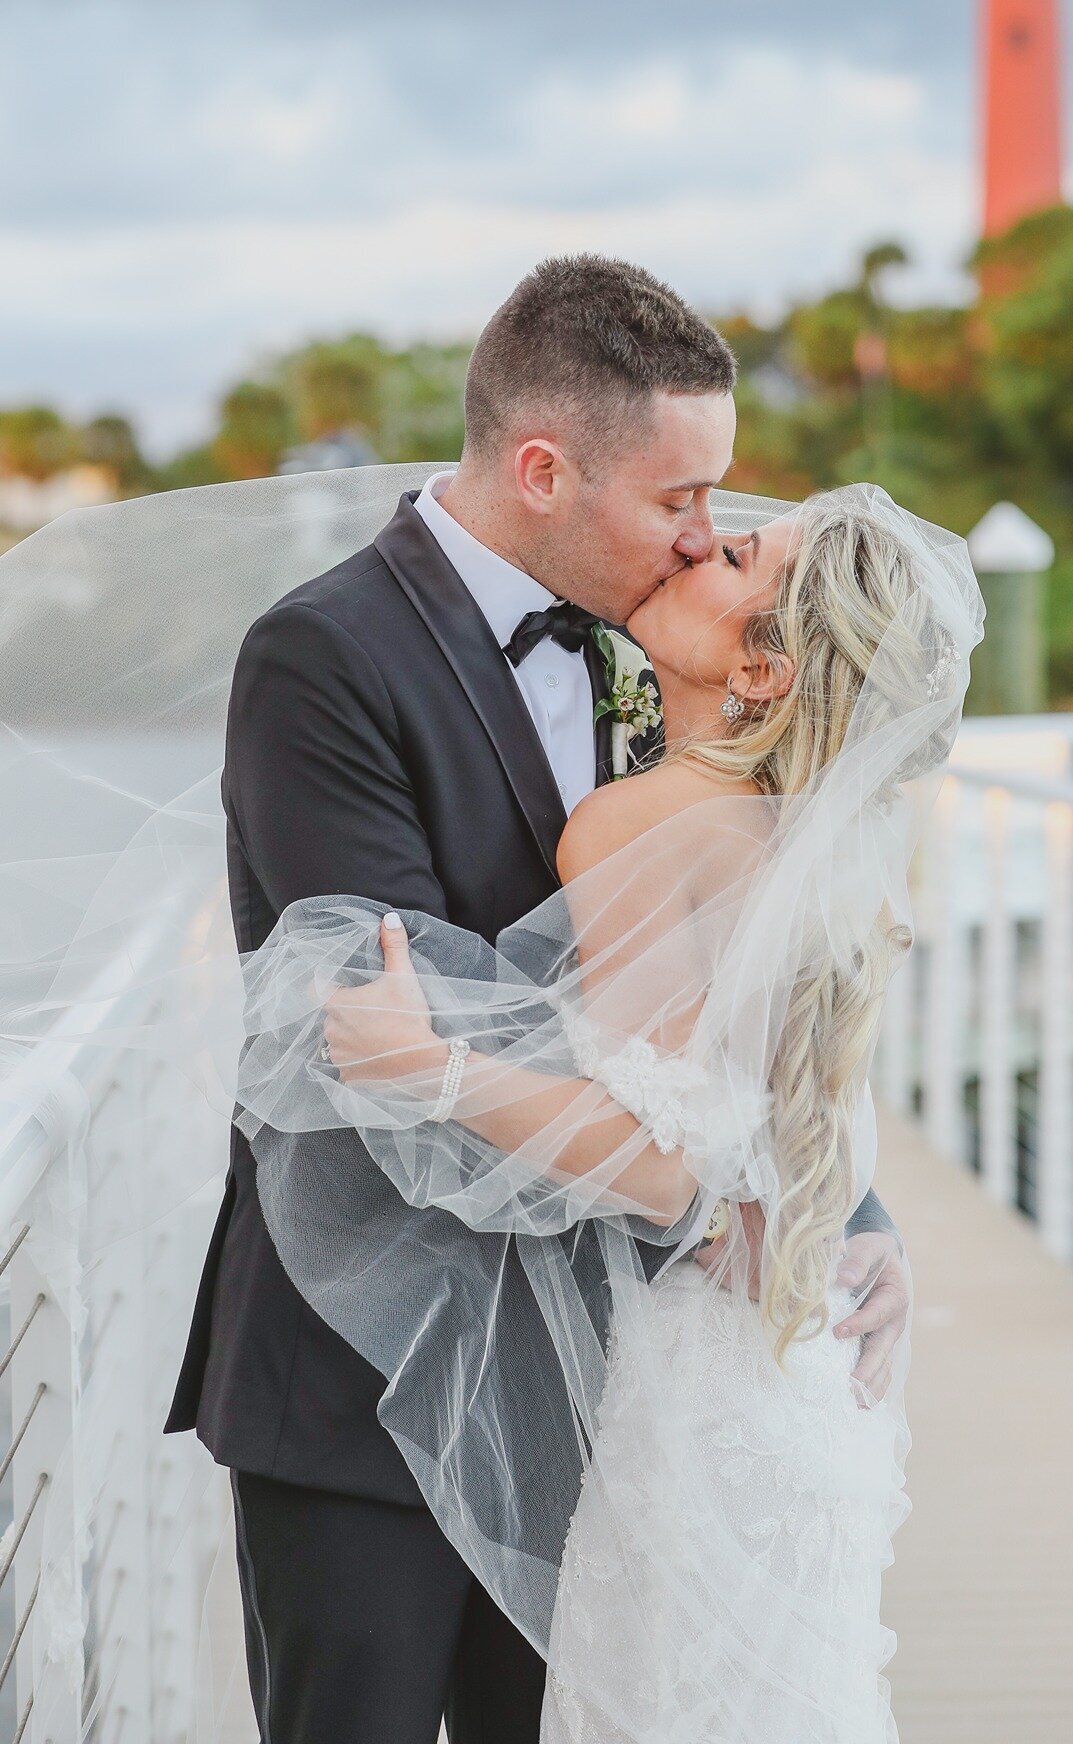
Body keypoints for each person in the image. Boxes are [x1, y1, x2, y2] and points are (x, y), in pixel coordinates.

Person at [164, 255, 911, 1744]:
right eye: (680, 497)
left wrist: (838, 1201)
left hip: (610, 1392)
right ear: (544, 470)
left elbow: (738, 978)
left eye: (717, 501)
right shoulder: (324, 655)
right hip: (369, 1377)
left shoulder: (662, 640)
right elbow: (387, 1017)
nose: (704, 535)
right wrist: (712, 1195)